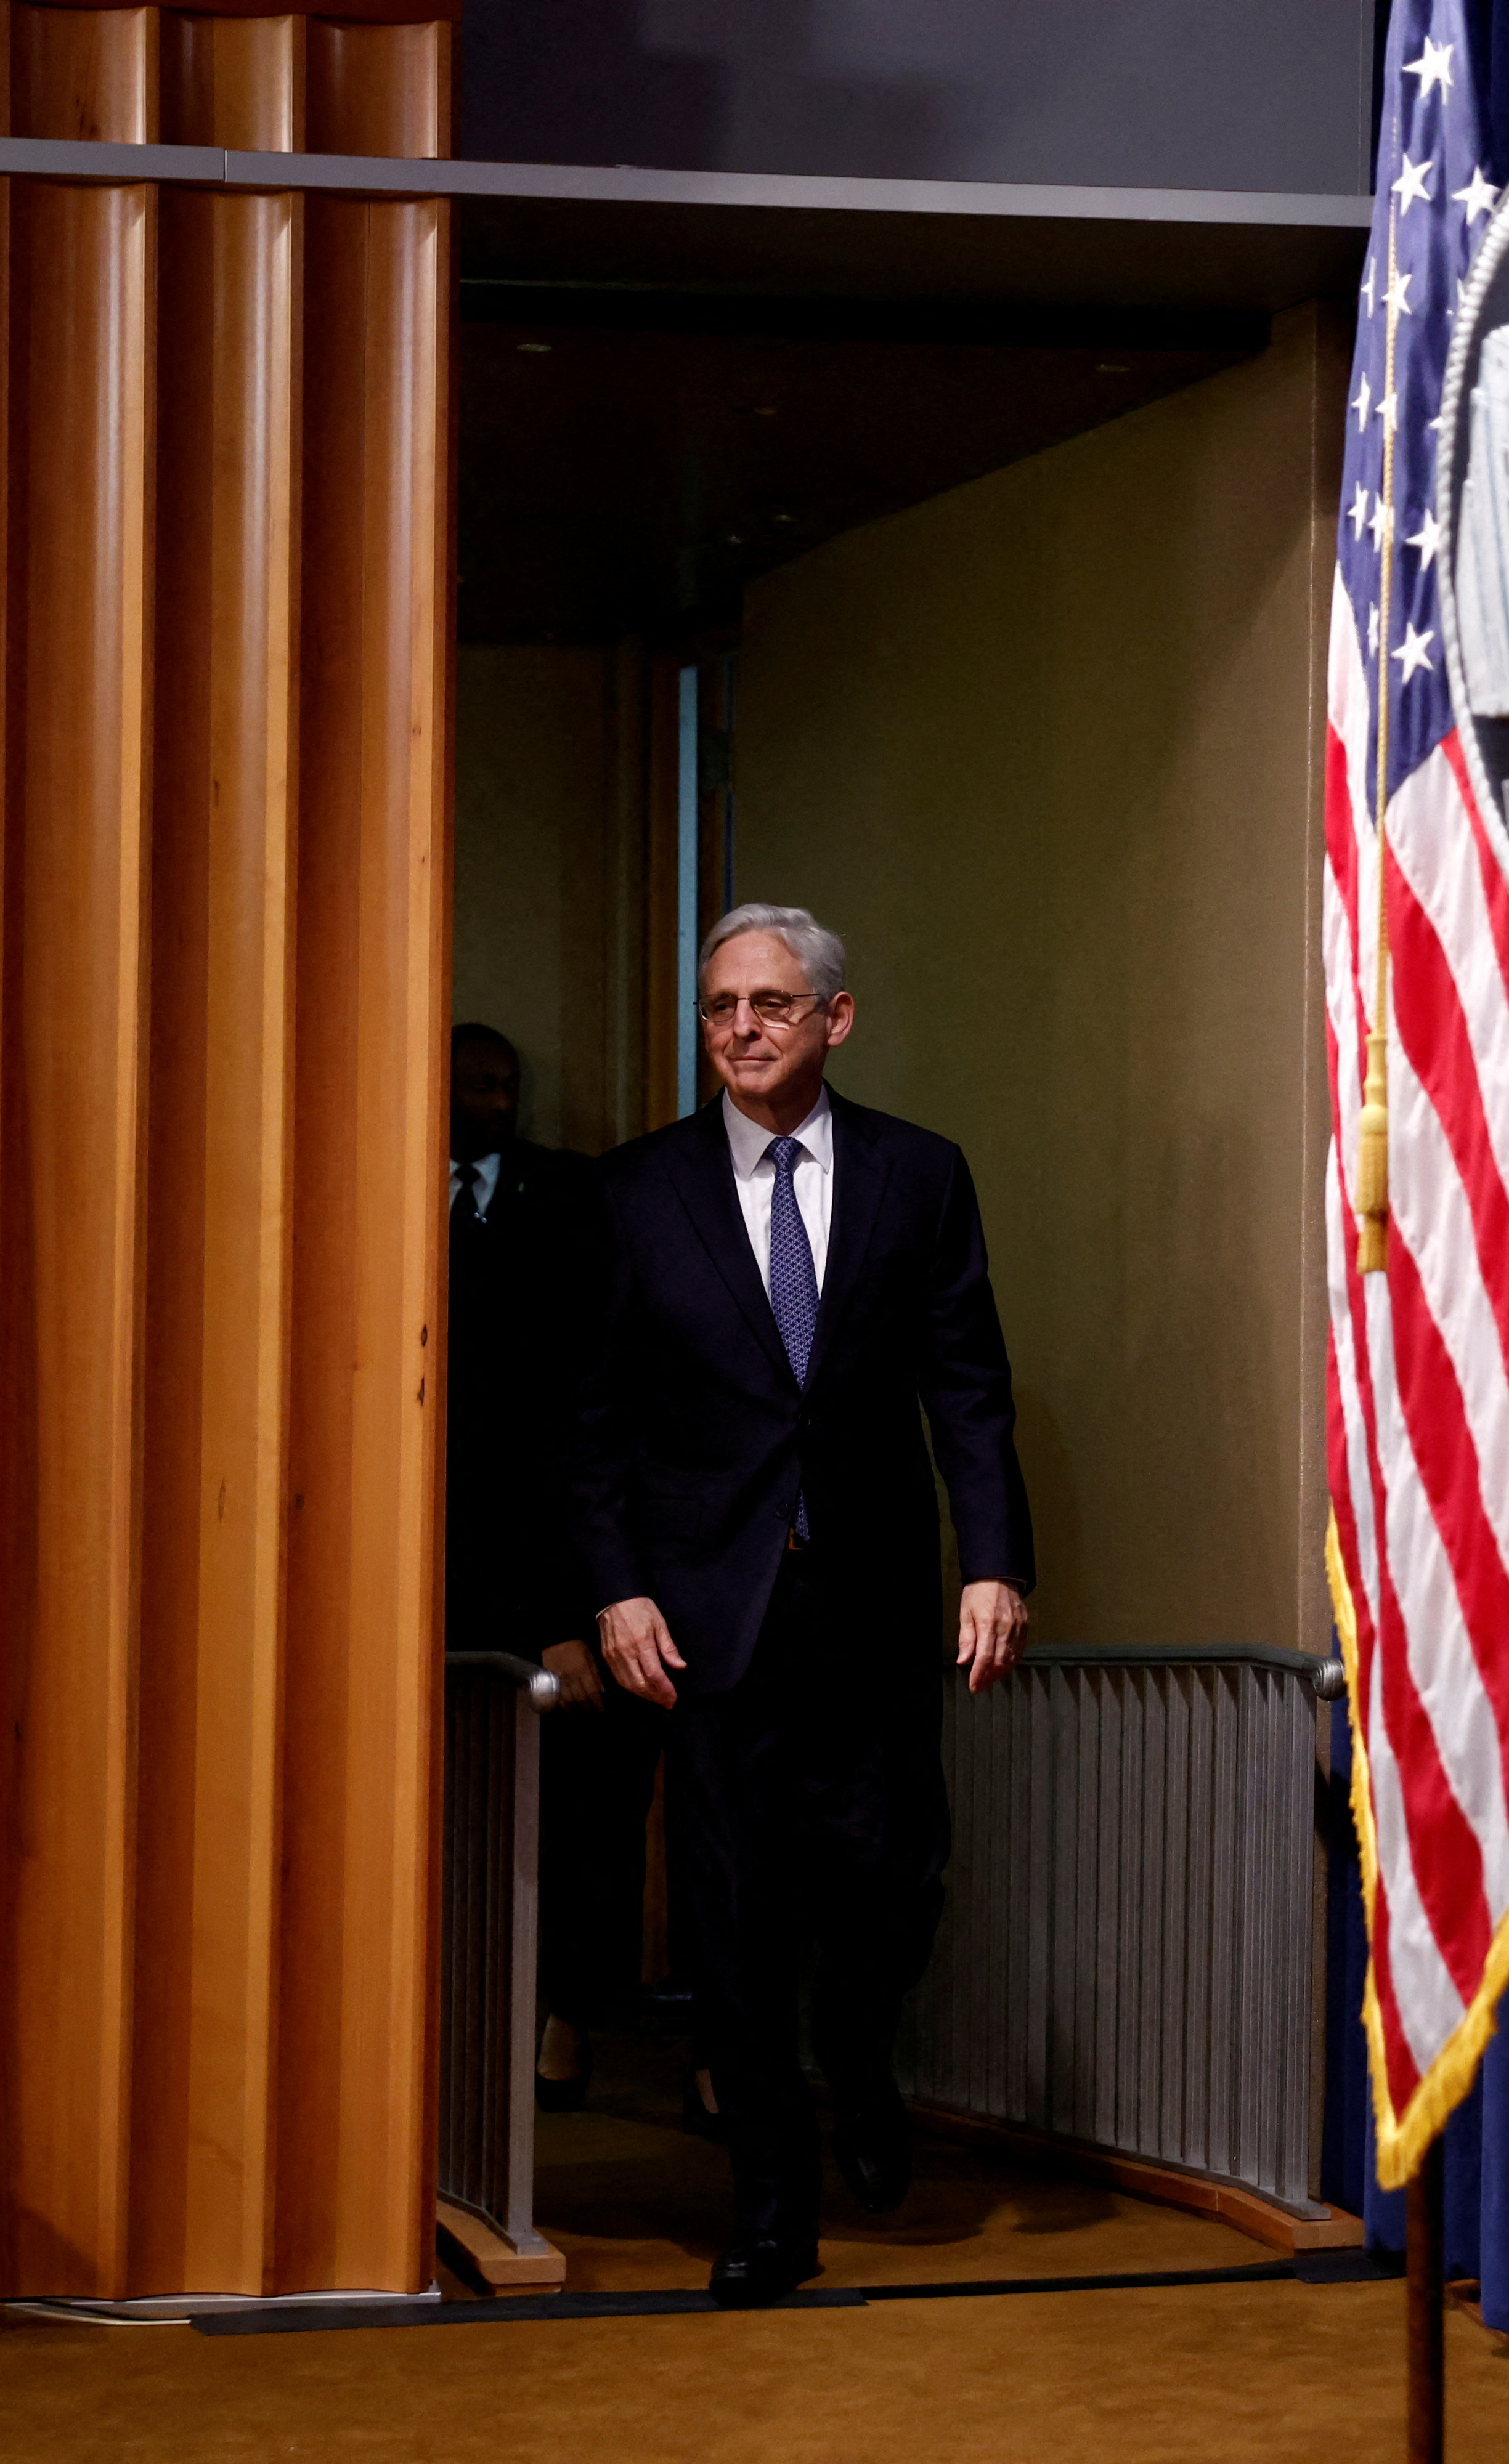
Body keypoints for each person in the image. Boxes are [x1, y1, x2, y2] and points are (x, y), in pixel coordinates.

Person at [569, 902, 1035, 2306]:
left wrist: (994, 1558)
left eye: (771, 1004)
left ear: (834, 1018)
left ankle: (866, 2052)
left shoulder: (919, 1175)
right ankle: (773, 2208)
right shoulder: (635, 1191)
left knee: (894, 1884)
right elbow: (590, 1417)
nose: (741, 1029)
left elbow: (968, 1384)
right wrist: (616, 1585)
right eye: (720, 1007)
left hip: (875, 1607)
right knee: (733, 1923)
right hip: (708, 1619)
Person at [439, 1026, 641, 2109]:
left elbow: (573, 1409)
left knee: (571, 1815)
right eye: (476, 1082)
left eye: (508, 1083)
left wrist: (569, 1600)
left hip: (537, 1546)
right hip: (430, 1550)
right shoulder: (379, 1182)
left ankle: (563, 2015)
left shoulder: (567, 1196)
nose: (496, 1099)